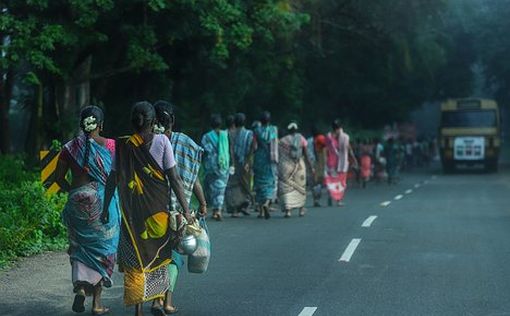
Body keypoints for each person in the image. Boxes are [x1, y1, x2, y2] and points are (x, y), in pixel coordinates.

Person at [102, 101, 192, 316]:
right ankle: (157, 300)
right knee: (158, 255)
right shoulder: (162, 141)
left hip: (132, 214)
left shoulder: (123, 145)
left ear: (133, 121)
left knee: (135, 258)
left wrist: (105, 207)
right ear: (153, 121)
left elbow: (112, 179)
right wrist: (186, 209)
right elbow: (175, 178)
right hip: (157, 213)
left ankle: (138, 309)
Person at [55, 106, 120, 315]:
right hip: (103, 203)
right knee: (103, 250)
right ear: (100, 125)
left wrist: (74, 192)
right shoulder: (111, 146)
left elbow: (57, 178)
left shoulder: (69, 148)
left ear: (82, 124)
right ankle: (97, 303)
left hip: (77, 203)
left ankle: (81, 287)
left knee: (79, 248)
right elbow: (117, 177)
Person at [153, 100, 207, 314]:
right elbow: (193, 178)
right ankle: (166, 300)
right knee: (173, 257)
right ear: (172, 120)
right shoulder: (187, 144)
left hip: (150, 210)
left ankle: (155, 300)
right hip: (177, 211)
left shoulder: (144, 142)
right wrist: (201, 203)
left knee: (155, 256)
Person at [278, 122, 315, 217]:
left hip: (286, 167)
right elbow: (306, 154)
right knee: (301, 187)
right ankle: (301, 209)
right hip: (299, 166)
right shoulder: (301, 138)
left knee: (287, 188)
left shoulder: (282, 141)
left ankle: (288, 210)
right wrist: (311, 166)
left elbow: (280, 155)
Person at [201, 114, 231, 221]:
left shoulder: (206, 136)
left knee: (213, 188)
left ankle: (215, 210)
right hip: (223, 164)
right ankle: (218, 209)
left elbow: (204, 150)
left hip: (211, 166)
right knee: (221, 188)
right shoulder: (225, 135)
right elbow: (228, 149)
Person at [225, 112, 254, 217]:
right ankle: (246, 205)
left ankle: (235, 210)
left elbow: (229, 149)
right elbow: (252, 147)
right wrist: (247, 161)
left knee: (233, 186)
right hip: (245, 163)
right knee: (245, 184)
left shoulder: (229, 133)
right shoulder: (249, 133)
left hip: (232, 163)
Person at [323, 119, 357, 207]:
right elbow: (349, 149)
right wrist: (354, 159)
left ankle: (331, 196)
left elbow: (325, 150)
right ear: (341, 127)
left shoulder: (328, 137)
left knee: (332, 181)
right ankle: (339, 200)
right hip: (341, 163)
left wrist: (325, 161)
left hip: (331, 163)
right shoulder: (345, 137)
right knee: (341, 182)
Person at [252, 111, 278, 219]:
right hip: (270, 159)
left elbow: (254, 147)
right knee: (269, 182)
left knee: (259, 183)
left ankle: (261, 212)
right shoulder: (273, 130)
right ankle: (267, 203)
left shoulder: (256, 130)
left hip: (259, 158)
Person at [309, 126, 327, 207]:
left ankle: (315, 199)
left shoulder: (308, 141)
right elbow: (324, 151)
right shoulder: (321, 139)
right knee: (319, 182)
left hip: (310, 162)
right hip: (319, 163)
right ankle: (317, 198)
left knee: (312, 182)